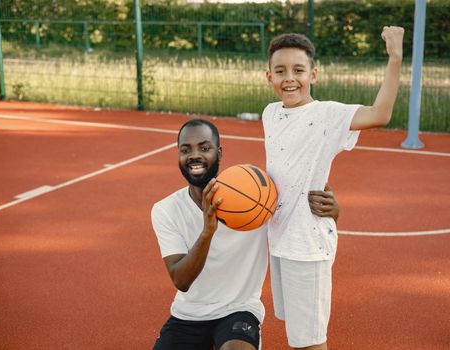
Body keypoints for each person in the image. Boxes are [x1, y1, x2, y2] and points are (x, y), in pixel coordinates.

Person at [263, 27, 404, 350]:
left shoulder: (327, 115)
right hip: (280, 239)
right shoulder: (270, 114)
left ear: (313, 74)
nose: (290, 78)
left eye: (298, 70)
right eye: (280, 71)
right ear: (268, 75)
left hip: (307, 244)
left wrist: (394, 58)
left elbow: (380, 114)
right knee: (295, 334)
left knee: (310, 342)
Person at [151, 118, 341, 350]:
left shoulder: (254, 199)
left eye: (204, 147)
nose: (194, 155)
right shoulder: (165, 210)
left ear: (219, 153)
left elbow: (301, 217)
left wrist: (333, 211)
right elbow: (181, 280)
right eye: (185, 150)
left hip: (239, 310)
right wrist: (207, 232)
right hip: (189, 314)